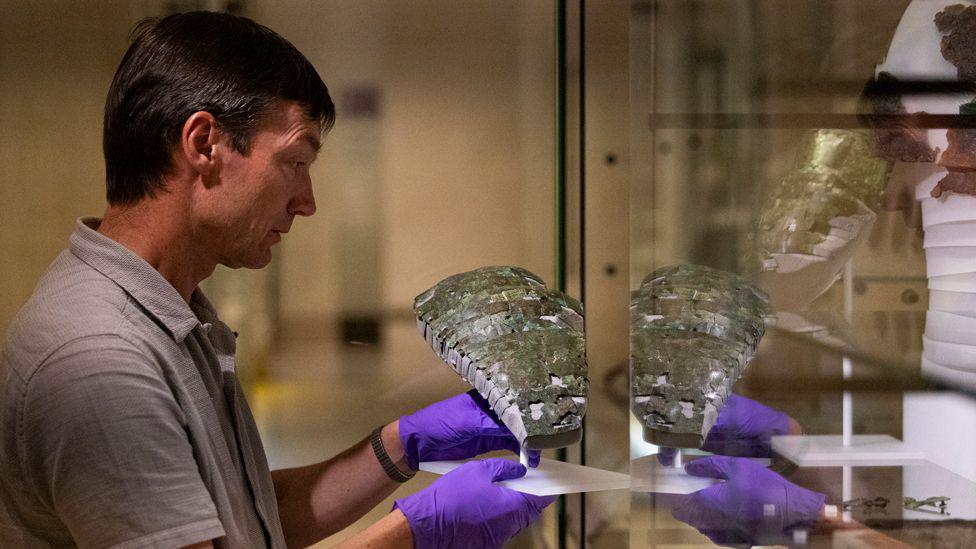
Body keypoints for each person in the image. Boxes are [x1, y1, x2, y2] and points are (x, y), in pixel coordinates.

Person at [0, 11, 552, 549]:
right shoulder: (100, 360)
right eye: (294, 163)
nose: (306, 202)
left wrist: (401, 446)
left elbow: (248, 519)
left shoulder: (166, 310)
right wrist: (409, 535)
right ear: (204, 145)